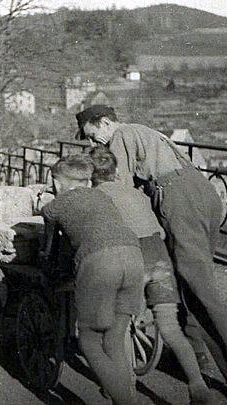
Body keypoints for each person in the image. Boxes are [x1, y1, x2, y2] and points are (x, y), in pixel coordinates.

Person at [76, 105, 227, 404]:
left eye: (93, 137)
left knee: (199, 287)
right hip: (201, 194)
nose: (94, 145)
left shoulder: (120, 135)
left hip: (178, 200)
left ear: (104, 123)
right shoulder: (143, 131)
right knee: (188, 284)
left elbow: (119, 186)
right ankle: (196, 355)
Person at [89, 146, 215, 404]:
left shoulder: (96, 198)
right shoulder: (136, 195)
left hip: (132, 260)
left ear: (90, 175)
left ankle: (125, 384)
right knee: (170, 328)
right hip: (158, 258)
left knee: (119, 324)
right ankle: (198, 385)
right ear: (115, 171)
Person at [41, 154, 144, 405]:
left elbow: (50, 246)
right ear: (88, 182)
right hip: (133, 257)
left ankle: (126, 401)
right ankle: (123, 390)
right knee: (114, 336)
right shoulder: (103, 196)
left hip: (100, 263)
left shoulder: (56, 204)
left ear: (56, 184)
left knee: (88, 340)